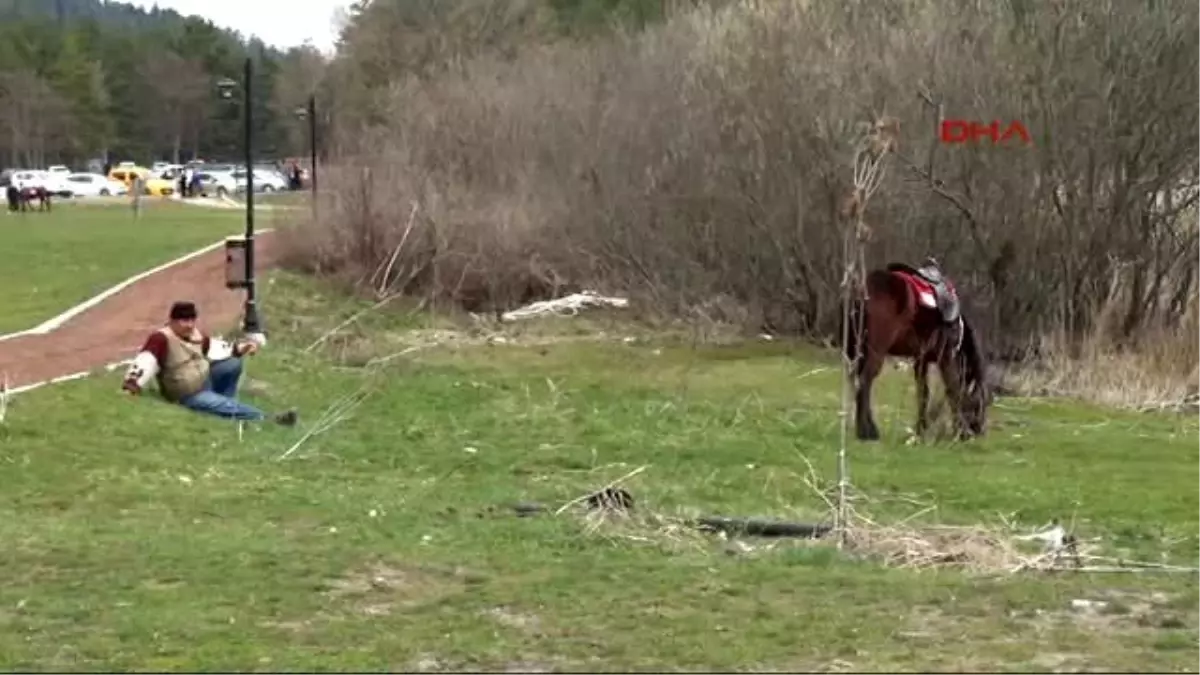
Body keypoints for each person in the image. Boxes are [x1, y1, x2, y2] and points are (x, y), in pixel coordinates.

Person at [121, 301, 298, 426]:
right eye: (184, 321)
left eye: (192, 320)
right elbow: (146, 361)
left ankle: (222, 401)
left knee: (232, 364)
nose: (189, 325)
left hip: (204, 381)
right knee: (225, 406)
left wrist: (241, 348)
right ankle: (269, 419)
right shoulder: (160, 339)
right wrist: (132, 385)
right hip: (187, 393)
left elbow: (217, 348)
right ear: (173, 321)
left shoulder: (196, 336)